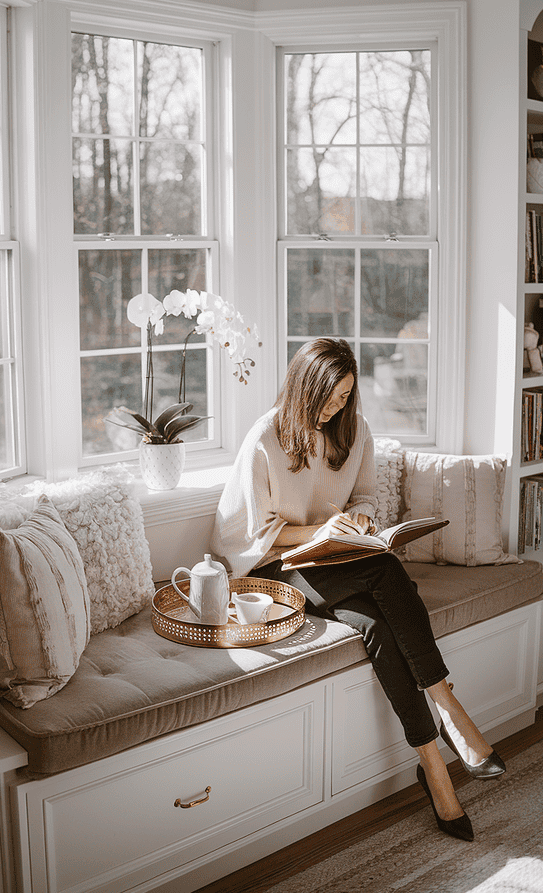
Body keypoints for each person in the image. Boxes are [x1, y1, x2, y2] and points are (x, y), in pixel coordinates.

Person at [211, 337, 506, 842]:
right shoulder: (265, 438)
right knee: (386, 570)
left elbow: (366, 493)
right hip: (276, 570)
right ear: (305, 387)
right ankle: (450, 709)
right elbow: (248, 537)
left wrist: (361, 518)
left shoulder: (354, 429)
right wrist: (319, 534)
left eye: (346, 396)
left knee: (378, 628)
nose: (338, 406)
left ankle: (432, 763)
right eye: (329, 396)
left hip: (335, 563)